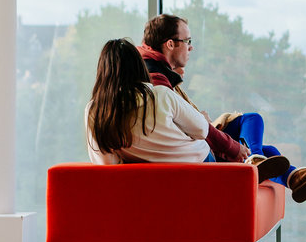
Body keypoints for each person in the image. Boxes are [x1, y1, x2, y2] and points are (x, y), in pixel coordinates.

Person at [138, 14, 306, 203]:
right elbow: (176, 127)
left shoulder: (157, 71)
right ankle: (271, 169)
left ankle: (288, 175)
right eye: (188, 41)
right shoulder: (156, 78)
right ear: (171, 44)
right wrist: (202, 121)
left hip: (197, 140)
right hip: (196, 147)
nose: (191, 48)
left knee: (255, 126)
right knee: (256, 127)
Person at [85, 38, 219, 165]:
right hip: (197, 164)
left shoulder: (96, 111)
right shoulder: (161, 95)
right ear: (140, 66)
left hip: (147, 182)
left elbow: (108, 163)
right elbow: (202, 130)